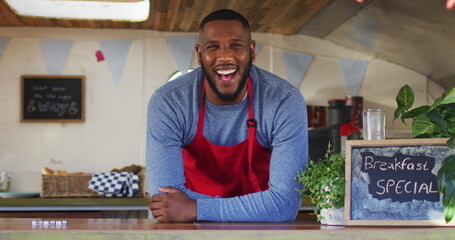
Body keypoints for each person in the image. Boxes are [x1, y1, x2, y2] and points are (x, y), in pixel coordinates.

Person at [146, 9, 308, 222]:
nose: (224, 56)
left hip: (260, 233)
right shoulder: (170, 101)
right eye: (213, 47)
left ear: (251, 51)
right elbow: (166, 202)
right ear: (199, 54)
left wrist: (195, 208)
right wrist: (258, 208)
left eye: (236, 45)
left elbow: (284, 205)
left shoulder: (283, 100)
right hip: (192, 231)